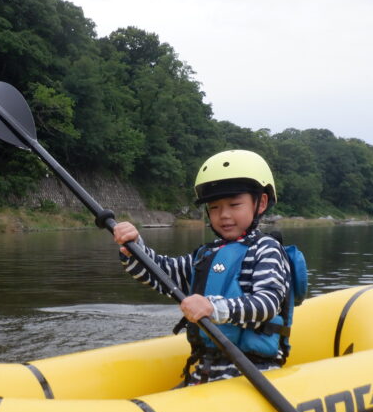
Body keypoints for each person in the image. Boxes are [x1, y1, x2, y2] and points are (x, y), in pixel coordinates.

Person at [113, 149, 296, 385]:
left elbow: (267, 304)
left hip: (255, 372)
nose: (224, 215)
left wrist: (213, 307)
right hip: (207, 370)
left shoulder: (266, 249)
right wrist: (134, 248)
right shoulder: (206, 255)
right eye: (215, 207)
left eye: (234, 204)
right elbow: (162, 274)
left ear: (260, 203)